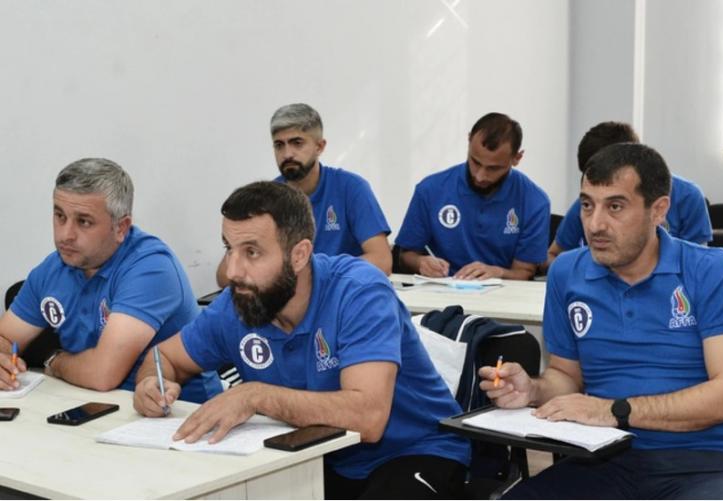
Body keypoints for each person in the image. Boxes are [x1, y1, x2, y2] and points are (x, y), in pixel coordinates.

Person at [135, 181, 470, 499]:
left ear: (299, 255)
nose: (232, 271)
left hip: (415, 452)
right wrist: (152, 383)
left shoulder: (359, 292)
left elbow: (369, 418)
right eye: (229, 249)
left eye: (252, 252)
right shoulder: (237, 303)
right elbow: (164, 357)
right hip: (319, 456)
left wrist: (255, 396)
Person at [480, 143, 723, 499]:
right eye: (587, 205)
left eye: (615, 206)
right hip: (606, 459)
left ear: (658, 210)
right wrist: (532, 390)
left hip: (707, 462)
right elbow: (566, 376)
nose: (595, 224)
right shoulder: (566, 272)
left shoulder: (712, 269)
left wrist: (616, 410)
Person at [0, 158, 221, 403]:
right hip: (89, 403)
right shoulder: (55, 267)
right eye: (60, 216)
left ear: (121, 228)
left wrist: (54, 361)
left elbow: (102, 375)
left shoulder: (151, 268)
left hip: (176, 411)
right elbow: (6, 338)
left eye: (84, 222)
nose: (65, 235)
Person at [216, 103, 391, 287]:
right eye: (279, 145)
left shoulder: (351, 187)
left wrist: (312, 279)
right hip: (285, 297)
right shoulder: (265, 199)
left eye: (297, 143)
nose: (287, 154)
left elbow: (382, 261)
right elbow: (224, 277)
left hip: (340, 292)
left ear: (319, 146)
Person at [395, 112, 550, 280]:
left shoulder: (535, 202)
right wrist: (421, 263)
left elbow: (524, 272)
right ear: (469, 141)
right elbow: (406, 255)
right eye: (475, 162)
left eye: (493, 168)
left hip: (503, 293)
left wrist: (498, 273)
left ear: (517, 158)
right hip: (441, 289)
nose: (480, 176)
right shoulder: (430, 190)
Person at [547, 121, 712, 269]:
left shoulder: (688, 196)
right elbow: (554, 254)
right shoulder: (590, 204)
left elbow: (698, 264)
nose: (595, 225)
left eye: (615, 206)